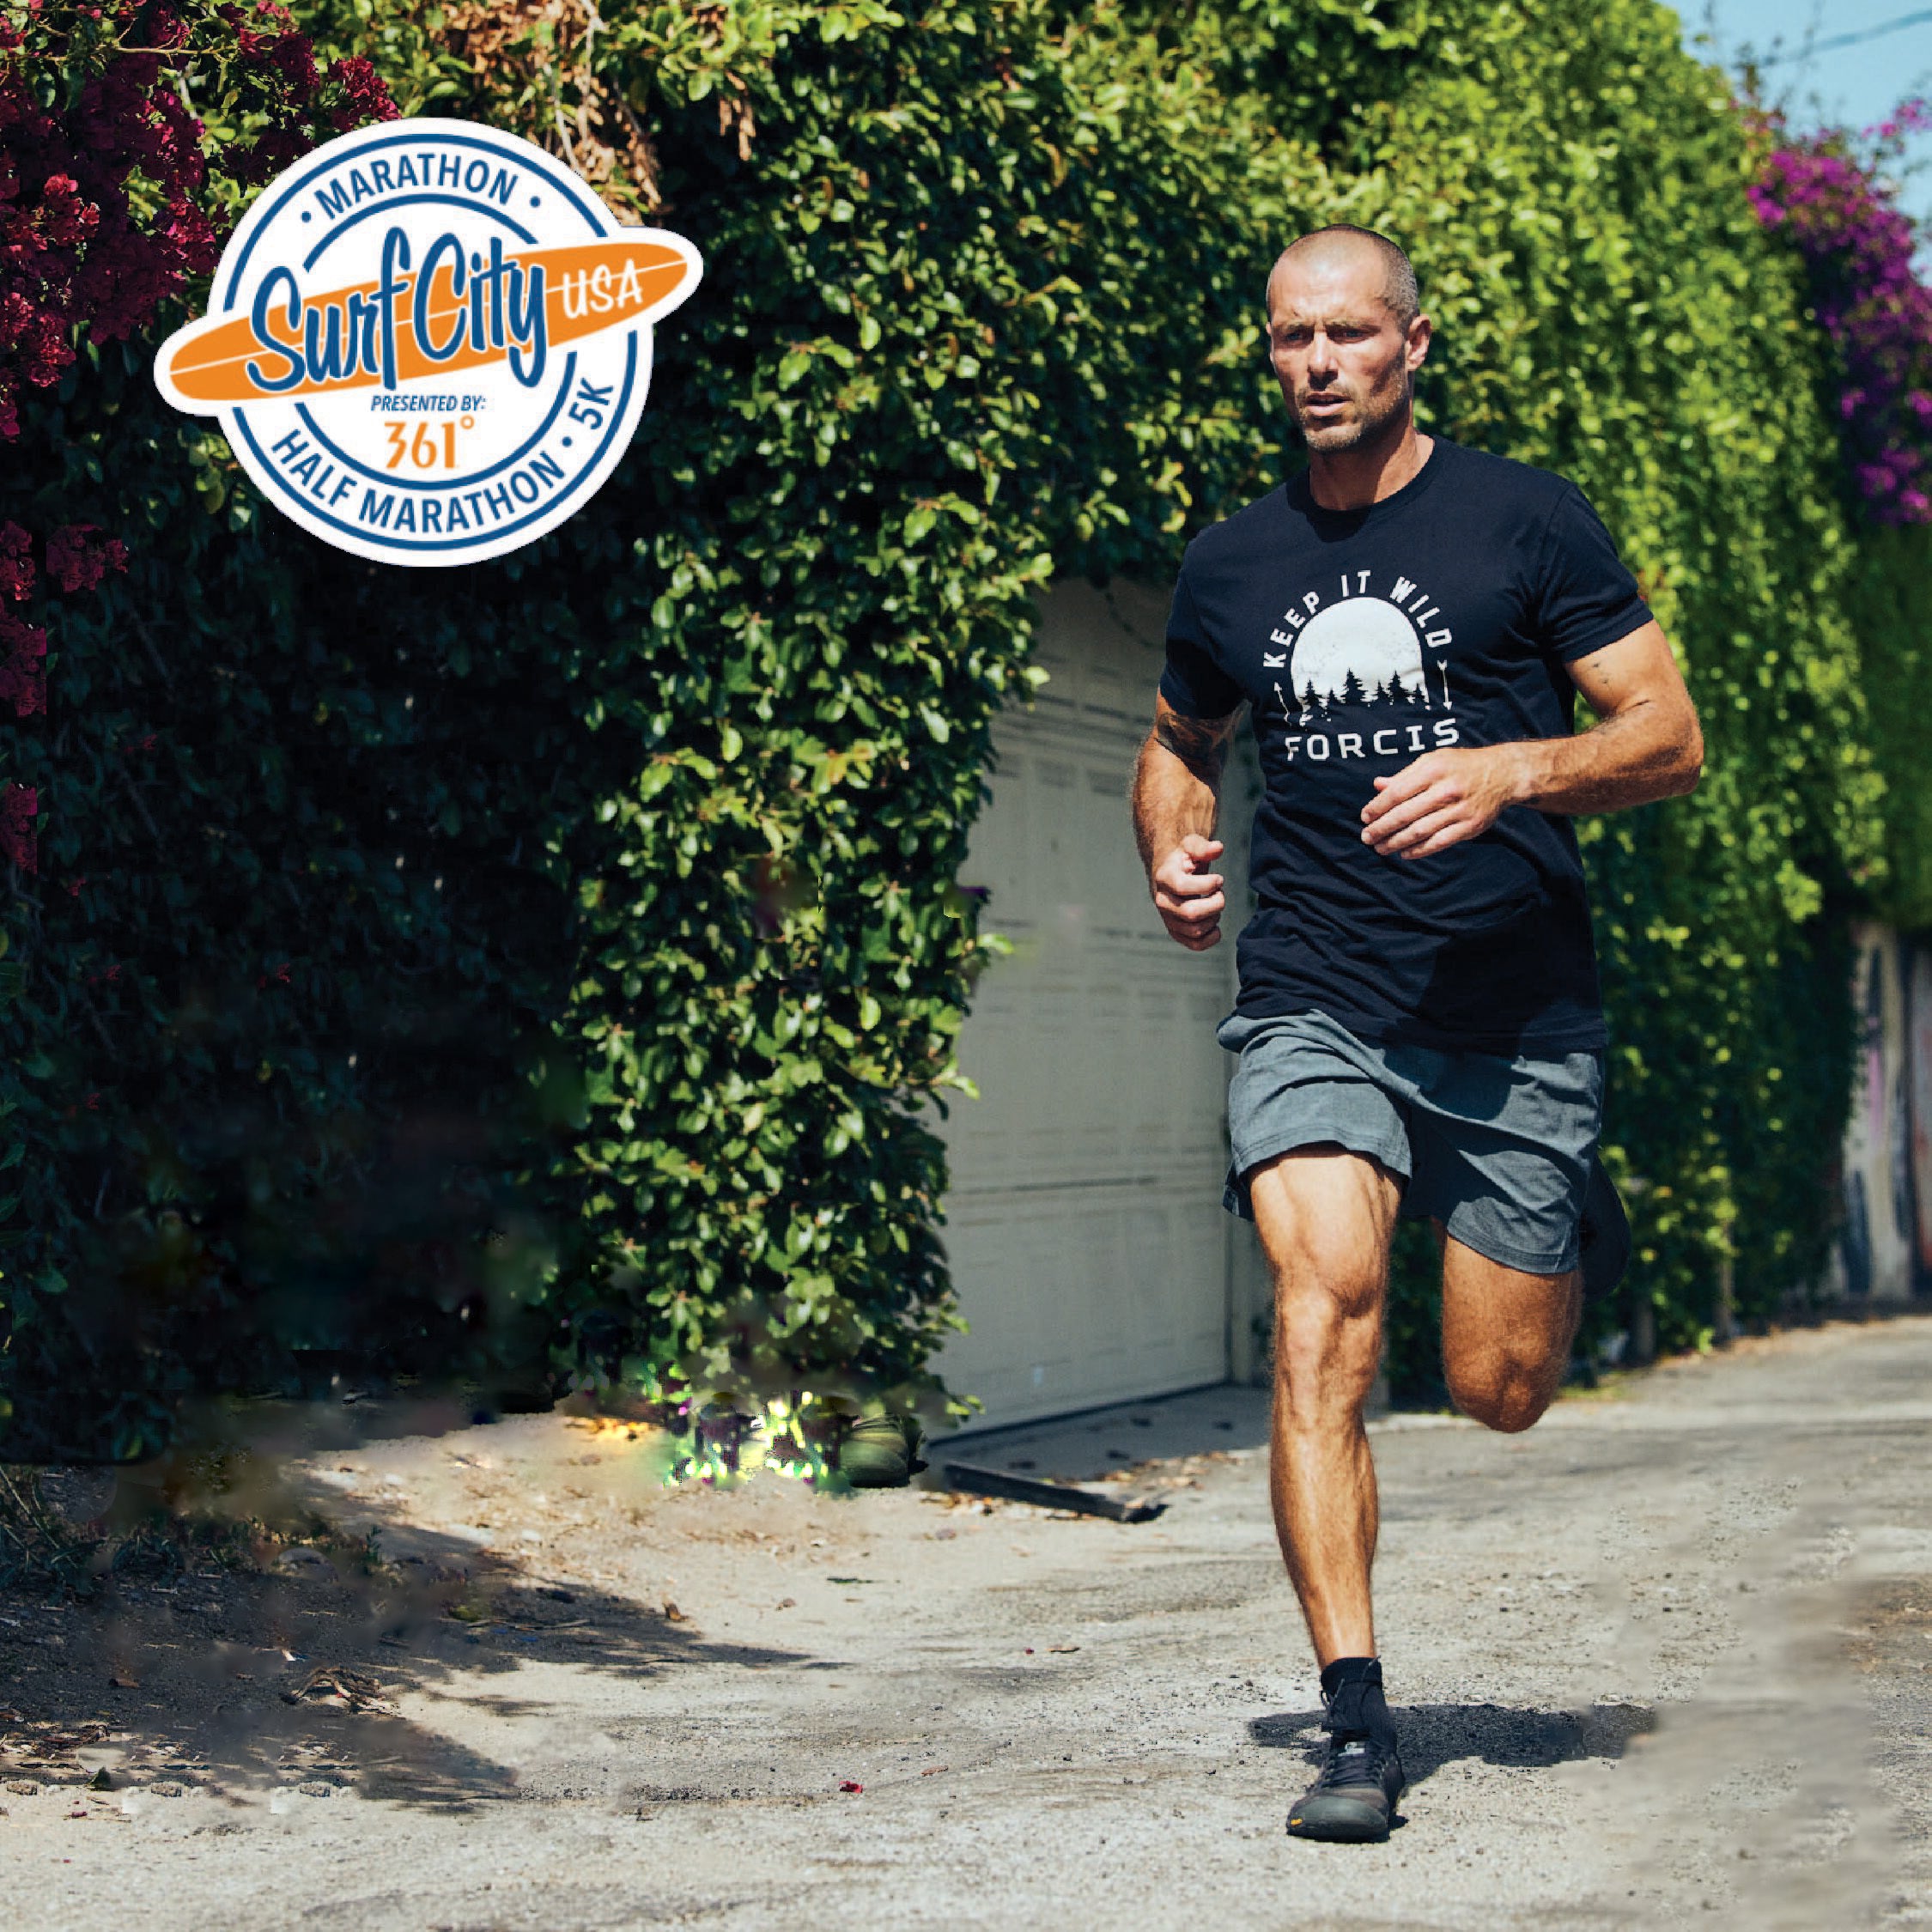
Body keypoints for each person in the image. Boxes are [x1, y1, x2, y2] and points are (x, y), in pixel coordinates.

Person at [1130, 225, 1703, 1844]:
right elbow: (1177, 738)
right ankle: (1356, 1722)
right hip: (1314, 986)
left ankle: (1559, 1212)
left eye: (1350, 335)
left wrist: (1514, 770)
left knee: (1497, 1385)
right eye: (1291, 338)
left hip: (1512, 1010)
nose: (1318, 364)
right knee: (1325, 1306)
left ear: (1413, 345)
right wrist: (1168, 843)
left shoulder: (1523, 519)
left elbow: (1666, 732)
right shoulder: (1230, 562)